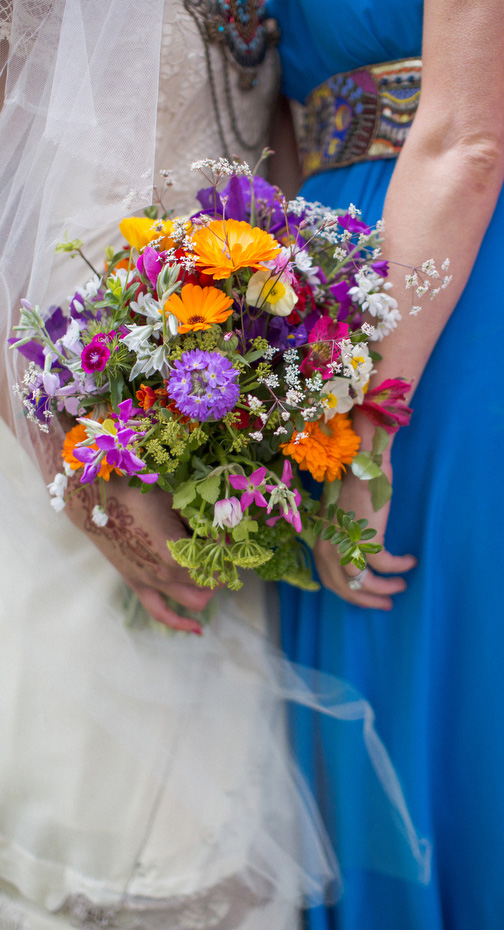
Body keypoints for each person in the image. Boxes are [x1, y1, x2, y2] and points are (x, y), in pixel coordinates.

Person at [269, 0, 504, 927]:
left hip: (451, 284)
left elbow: (466, 138)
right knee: (354, 751)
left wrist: (370, 425)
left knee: (434, 750)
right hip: (337, 284)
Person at [0, 3, 329, 928]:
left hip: (216, 419)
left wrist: (285, 386)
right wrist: (94, 497)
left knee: (212, 815)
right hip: (67, 422)